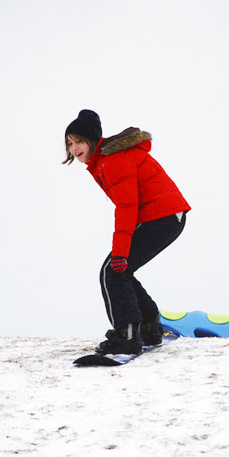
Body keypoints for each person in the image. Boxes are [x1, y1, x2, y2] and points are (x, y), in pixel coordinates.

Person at [64, 109, 191, 355]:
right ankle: (148, 329)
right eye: (70, 143)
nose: (74, 148)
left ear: (92, 140)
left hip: (163, 217)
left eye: (79, 141)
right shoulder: (103, 161)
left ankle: (127, 336)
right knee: (120, 270)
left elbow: (126, 206)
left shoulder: (112, 161)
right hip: (165, 216)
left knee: (113, 271)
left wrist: (120, 253)